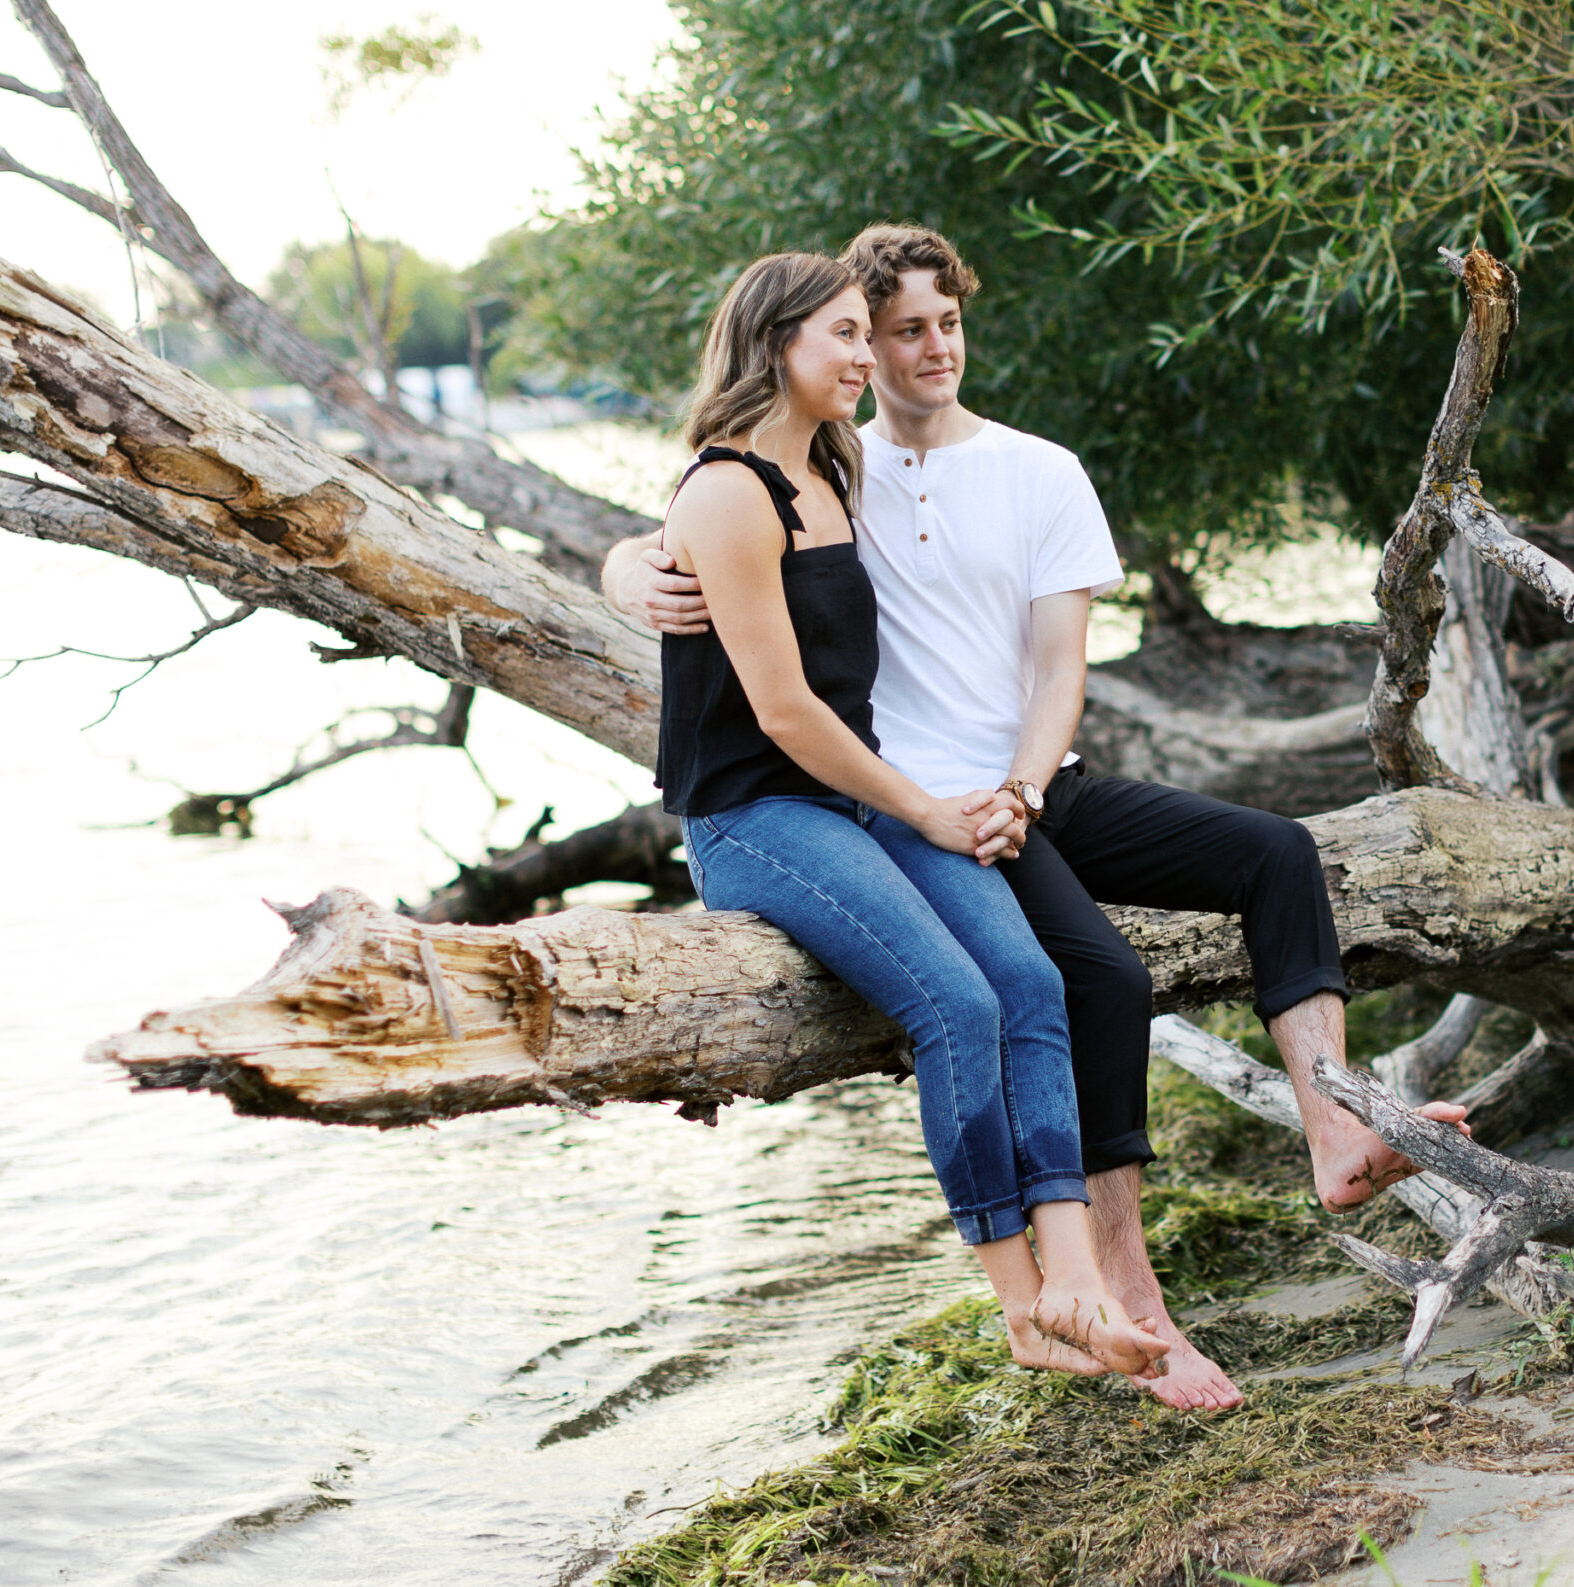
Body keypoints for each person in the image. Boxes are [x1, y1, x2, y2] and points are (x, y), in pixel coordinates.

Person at [610, 226, 1469, 1410]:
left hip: (1023, 787)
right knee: (1092, 982)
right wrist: (625, 565)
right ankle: (1123, 1302)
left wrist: (1019, 791)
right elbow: (709, 523)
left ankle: (1335, 1127)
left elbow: (1059, 663)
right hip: (907, 802)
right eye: (883, 329)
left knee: (1276, 850)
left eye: (935, 324)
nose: (914, 349)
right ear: (819, 339)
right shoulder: (839, 463)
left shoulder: (1021, 469)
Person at [654, 249, 1168, 1381]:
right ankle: (1023, 1307)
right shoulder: (727, 490)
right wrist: (928, 811)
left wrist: (926, 801)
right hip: (755, 816)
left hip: (856, 796)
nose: (865, 356)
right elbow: (782, 709)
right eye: (842, 335)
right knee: (952, 999)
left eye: (862, 333)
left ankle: (1078, 1277)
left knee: (1029, 984)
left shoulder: (836, 475)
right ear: (773, 342)